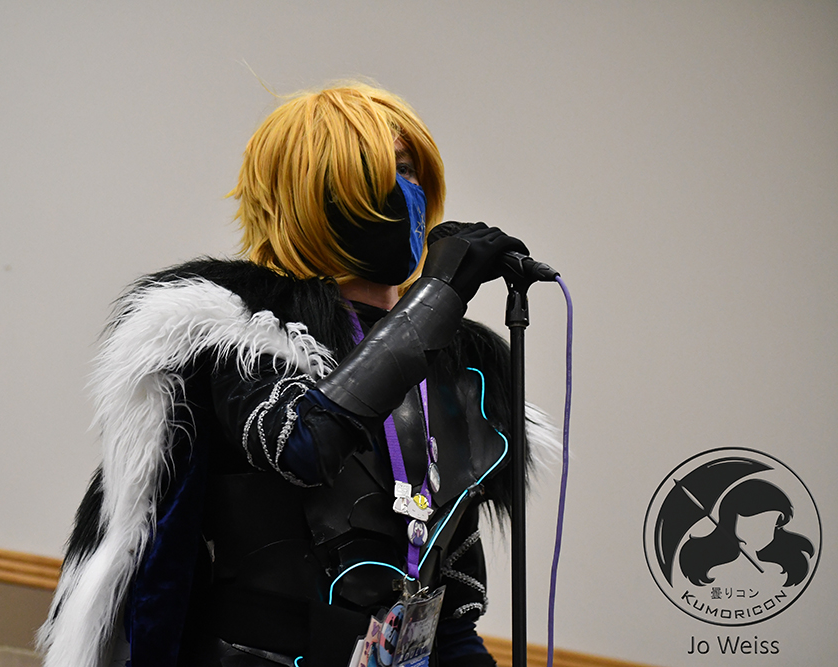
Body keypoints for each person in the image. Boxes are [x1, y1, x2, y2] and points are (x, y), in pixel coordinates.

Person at [37, 82, 556, 667]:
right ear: (309, 195)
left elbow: (451, 620)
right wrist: (437, 298)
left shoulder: (463, 368)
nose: (400, 192)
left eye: (408, 169)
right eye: (371, 176)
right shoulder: (237, 323)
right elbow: (303, 444)